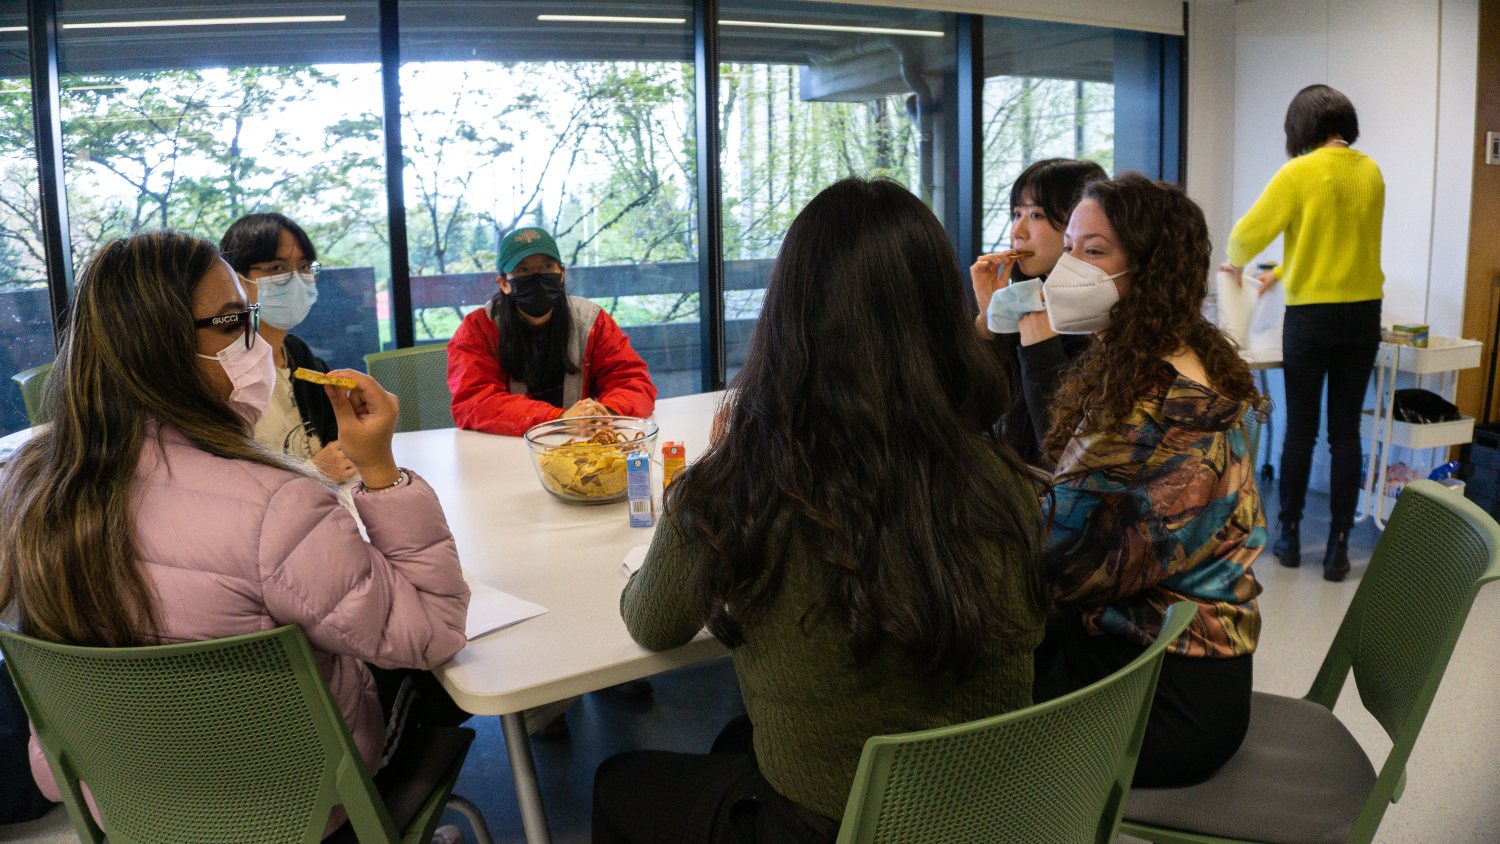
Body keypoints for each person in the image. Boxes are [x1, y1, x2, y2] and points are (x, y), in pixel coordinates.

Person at [593, 178, 1048, 843]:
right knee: (733, 739)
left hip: (829, 822)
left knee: (619, 782)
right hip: (991, 814)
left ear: (787, 320)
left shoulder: (738, 487)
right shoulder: (999, 479)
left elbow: (652, 621)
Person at [0, 231, 470, 833]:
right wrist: (380, 471)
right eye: (232, 323)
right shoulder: (277, 506)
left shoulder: (29, 490)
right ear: (154, 347)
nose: (256, 342)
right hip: (299, 803)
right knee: (436, 681)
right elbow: (433, 632)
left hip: (121, 799)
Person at [1033, 174, 1265, 788]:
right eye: (1070, 247)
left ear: (1151, 271)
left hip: (1169, 700)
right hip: (1160, 657)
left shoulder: (1167, 413)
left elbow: (1058, 567)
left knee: (960, 693)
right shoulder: (1168, 356)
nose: (1068, 267)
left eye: (1094, 251)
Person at [1222, 84, 1384, 582]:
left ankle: (1289, 537)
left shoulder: (1298, 172)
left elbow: (1247, 234)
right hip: (1363, 314)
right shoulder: (1371, 170)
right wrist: (1282, 271)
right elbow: (1334, 243)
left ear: (1301, 128)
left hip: (1312, 317)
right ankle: (1338, 545)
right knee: (1345, 433)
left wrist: (1237, 264)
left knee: (1301, 428)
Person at [447, 226, 656, 436]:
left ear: (562, 274)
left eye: (547, 267)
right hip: (506, 444)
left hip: (579, 444)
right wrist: (560, 419)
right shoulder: (477, 329)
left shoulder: (592, 321)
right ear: (504, 283)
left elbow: (632, 381)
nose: (537, 276)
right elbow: (475, 402)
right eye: (523, 270)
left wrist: (606, 413)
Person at [971, 158, 1106, 465]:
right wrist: (988, 321)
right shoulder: (1025, 297)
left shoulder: (1098, 323)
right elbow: (974, 412)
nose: (1018, 230)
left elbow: (1062, 454)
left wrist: (1040, 343)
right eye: (1016, 213)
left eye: (1036, 214)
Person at [220, 212, 353, 483]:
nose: (296, 279)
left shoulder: (299, 355)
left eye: (304, 266)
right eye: (276, 268)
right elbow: (220, 477)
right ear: (236, 278)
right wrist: (309, 472)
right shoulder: (220, 366)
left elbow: (336, 438)